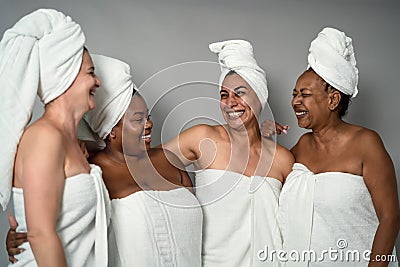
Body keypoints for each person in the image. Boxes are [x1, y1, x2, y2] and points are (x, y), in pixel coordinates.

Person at [162, 39, 294, 266]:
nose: (230, 102)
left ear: (260, 97)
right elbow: (143, 165)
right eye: (224, 95)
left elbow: (296, 220)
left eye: (240, 93)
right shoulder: (204, 138)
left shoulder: (282, 159)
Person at [277, 27, 399, 266]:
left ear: (333, 100)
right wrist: (260, 135)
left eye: (305, 94)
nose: (295, 101)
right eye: (294, 94)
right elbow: (265, 177)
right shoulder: (301, 147)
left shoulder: (366, 143)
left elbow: (390, 217)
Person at [0, 8, 110, 267]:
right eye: (90, 72)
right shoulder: (44, 138)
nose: (98, 81)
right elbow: (40, 234)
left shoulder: (74, 145)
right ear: (66, 75)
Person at [79, 54, 203, 266]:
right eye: (138, 119)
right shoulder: (92, 173)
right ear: (111, 131)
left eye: (149, 116)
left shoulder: (169, 161)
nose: (149, 125)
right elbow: (65, 233)